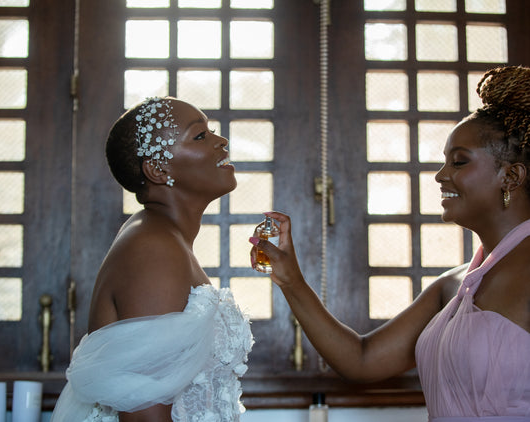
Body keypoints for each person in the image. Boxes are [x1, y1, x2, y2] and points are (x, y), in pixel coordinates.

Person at [250, 65, 530, 421]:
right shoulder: (455, 285)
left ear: (511, 176)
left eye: (458, 161)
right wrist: (291, 280)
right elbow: (362, 359)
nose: (440, 175)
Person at [51, 97, 253, 422]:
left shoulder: (162, 238)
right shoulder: (153, 249)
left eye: (211, 131)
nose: (221, 140)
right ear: (158, 170)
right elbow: (146, 415)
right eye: (200, 136)